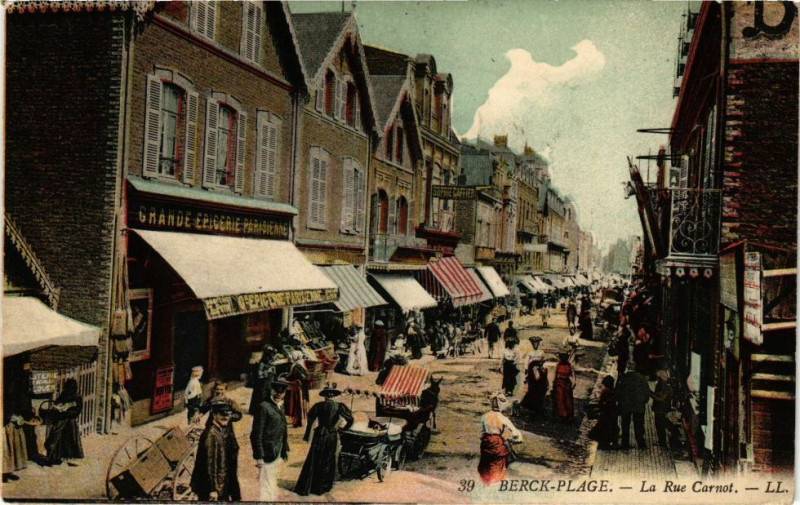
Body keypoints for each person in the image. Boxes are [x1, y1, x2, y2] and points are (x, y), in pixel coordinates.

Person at [294, 384, 354, 496]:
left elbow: (310, 420)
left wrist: (307, 435)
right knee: (328, 459)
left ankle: (308, 486)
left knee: (314, 459)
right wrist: (343, 429)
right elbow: (350, 419)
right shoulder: (339, 406)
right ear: (334, 396)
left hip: (319, 434)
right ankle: (322, 487)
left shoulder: (318, 406)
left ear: (325, 396)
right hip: (331, 435)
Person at [191, 401, 241, 501]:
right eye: (222, 414)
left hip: (220, 486)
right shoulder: (211, 435)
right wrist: (212, 489)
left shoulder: (219, 431)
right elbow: (210, 464)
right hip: (213, 489)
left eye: (228, 415)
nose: (226, 418)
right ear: (214, 415)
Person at [250, 377, 290, 501]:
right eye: (276, 392)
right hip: (266, 453)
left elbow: (283, 429)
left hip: (277, 451)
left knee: (272, 481)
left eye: (281, 393)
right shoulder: (263, 407)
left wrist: (285, 449)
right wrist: (259, 456)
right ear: (271, 391)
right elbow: (256, 434)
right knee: (265, 486)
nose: (278, 395)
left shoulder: (280, 406)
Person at [478, 393, 522, 485]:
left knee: (485, 466)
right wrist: (513, 440)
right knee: (499, 465)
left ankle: (486, 484)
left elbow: (481, 434)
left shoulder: (484, 416)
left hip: (486, 443)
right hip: (497, 444)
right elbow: (517, 434)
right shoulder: (503, 418)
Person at [43, 378, 83, 466]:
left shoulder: (77, 397)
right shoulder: (64, 394)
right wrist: (57, 407)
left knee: (70, 440)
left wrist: (67, 412)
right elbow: (58, 402)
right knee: (57, 439)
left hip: (70, 422)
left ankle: (71, 458)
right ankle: (55, 458)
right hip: (60, 420)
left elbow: (78, 410)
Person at [616, 364, 651, 449]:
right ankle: (641, 443)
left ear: (627, 368)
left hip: (625, 406)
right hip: (638, 406)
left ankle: (625, 444)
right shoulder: (642, 378)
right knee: (639, 425)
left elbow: (618, 392)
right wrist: (644, 401)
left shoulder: (623, 378)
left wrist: (620, 403)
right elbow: (647, 392)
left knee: (625, 425)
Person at [588, 375, 619, 450]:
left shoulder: (606, 391)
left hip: (606, 414)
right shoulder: (613, 391)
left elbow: (602, 402)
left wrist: (599, 409)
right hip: (612, 413)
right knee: (611, 428)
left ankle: (604, 443)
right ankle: (610, 443)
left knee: (604, 428)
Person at [519, 337, 548, 413]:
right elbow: (526, 362)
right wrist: (526, 369)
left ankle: (539, 404)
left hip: (539, 370)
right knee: (532, 386)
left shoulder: (541, 352)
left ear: (538, 344)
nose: (535, 345)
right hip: (531, 371)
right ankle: (531, 404)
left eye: (536, 343)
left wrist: (542, 367)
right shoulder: (530, 352)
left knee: (540, 386)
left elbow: (543, 361)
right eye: (534, 343)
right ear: (532, 344)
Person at [248, 345, 277, 415]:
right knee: (261, 395)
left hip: (269, 381)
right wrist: (268, 372)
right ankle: (258, 411)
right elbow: (260, 374)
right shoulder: (262, 363)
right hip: (263, 382)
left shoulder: (269, 361)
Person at [285, 353, 309, 428]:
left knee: (296, 404)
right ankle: (300, 422)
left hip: (297, 389)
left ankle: (296, 422)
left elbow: (293, 376)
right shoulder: (300, 365)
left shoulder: (296, 366)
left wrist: (286, 377)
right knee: (300, 404)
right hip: (302, 388)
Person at [652, 366, 674, 447]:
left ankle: (663, 441)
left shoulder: (662, 385)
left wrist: (651, 395)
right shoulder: (662, 384)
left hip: (661, 408)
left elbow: (661, 397)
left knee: (660, 424)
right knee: (662, 423)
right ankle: (663, 440)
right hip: (661, 407)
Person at [552, 352, 576, 420]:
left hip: (566, 383)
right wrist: (554, 382)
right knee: (560, 398)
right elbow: (555, 374)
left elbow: (573, 374)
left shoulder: (569, 365)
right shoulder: (559, 365)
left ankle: (567, 414)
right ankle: (561, 414)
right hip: (559, 383)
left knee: (567, 398)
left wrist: (574, 382)